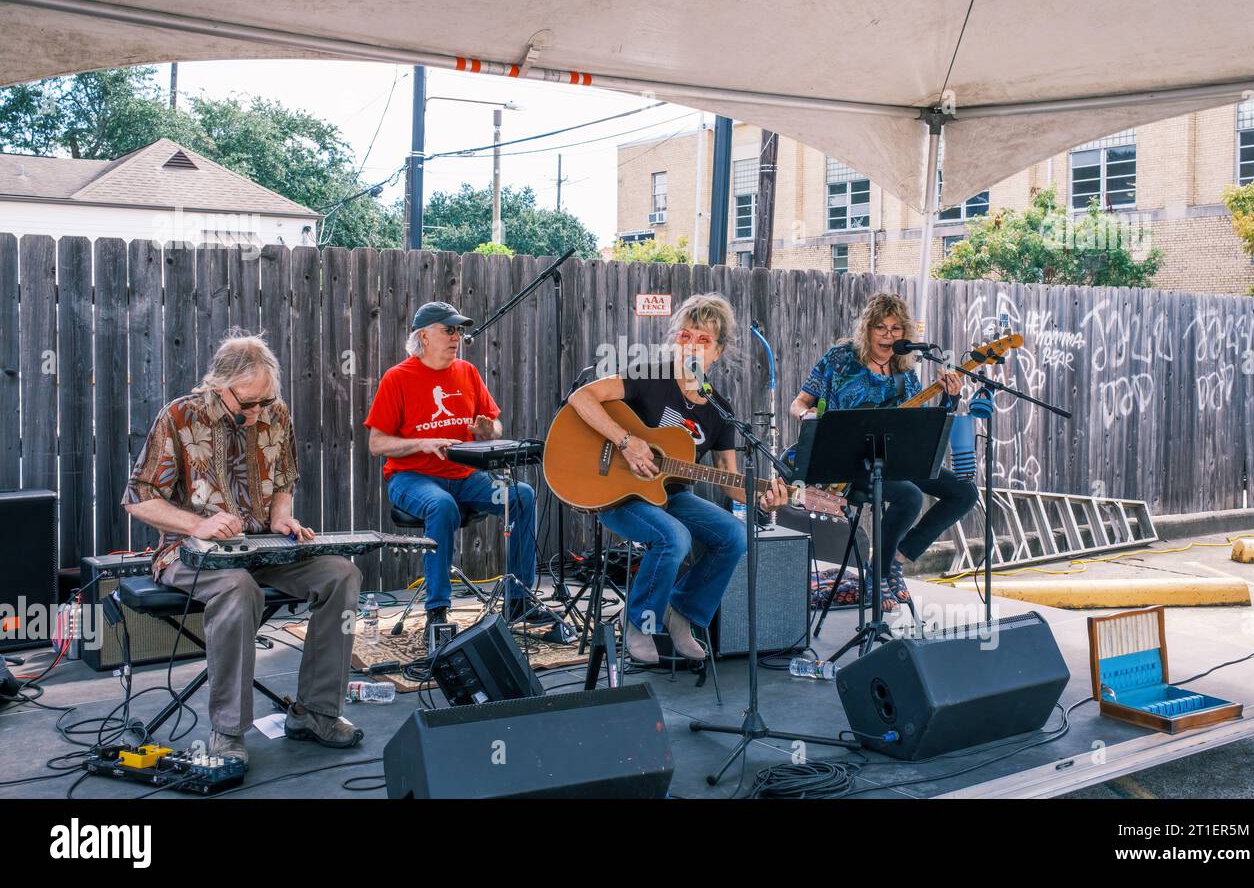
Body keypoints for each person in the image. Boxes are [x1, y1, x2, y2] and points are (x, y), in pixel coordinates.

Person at [122, 331, 362, 766]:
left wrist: (281, 518)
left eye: (264, 403)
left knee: (342, 573)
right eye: (247, 404)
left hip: (262, 547)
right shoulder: (178, 417)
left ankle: (316, 712)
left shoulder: (276, 412)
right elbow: (139, 500)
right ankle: (229, 731)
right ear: (217, 384)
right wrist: (200, 523)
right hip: (189, 552)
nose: (257, 414)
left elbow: (285, 479)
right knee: (238, 588)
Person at [566, 293, 789, 665]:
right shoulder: (648, 378)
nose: (692, 346)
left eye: (703, 340)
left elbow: (730, 481)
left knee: (734, 535)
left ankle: (681, 613)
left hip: (669, 495)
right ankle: (638, 622)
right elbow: (582, 398)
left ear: (717, 353)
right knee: (674, 537)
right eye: (685, 336)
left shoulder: (720, 410)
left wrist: (762, 497)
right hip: (617, 492)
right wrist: (626, 441)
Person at [789, 292, 978, 610]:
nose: (888, 336)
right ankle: (877, 579)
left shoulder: (906, 372)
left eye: (895, 329)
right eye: (881, 328)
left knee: (964, 492)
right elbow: (799, 403)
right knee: (910, 496)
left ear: (905, 334)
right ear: (867, 329)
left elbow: (919, 425)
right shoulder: (841, 358)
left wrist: (951, 399)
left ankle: (896, 559)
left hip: (895, 459)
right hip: (846, 462)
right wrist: (809, 417)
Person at [365, 301, 541, 626]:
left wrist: (488, 430)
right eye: (448, 330)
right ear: (424, 336)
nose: (456, 337)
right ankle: (437, 611)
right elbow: (376, 444)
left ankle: (519, 602)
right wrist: (422, 443)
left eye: (458, 330)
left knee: (522, 495)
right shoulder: (397, 378)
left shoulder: (467, 372)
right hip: (411, 477)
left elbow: (494, 426)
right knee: (442, 506)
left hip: (464, 476)